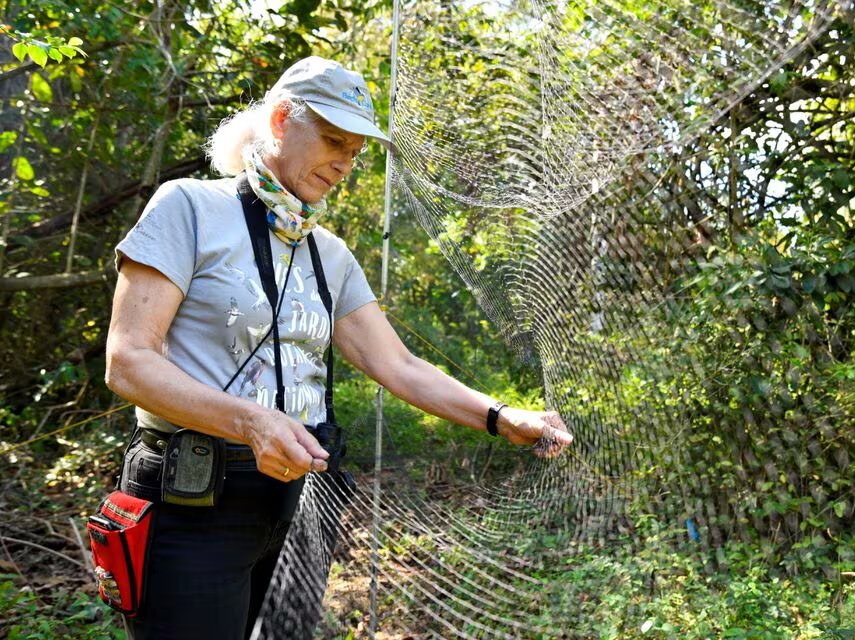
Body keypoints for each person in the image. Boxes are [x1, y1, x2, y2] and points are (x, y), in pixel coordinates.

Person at [102, 56, 572, 639]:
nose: (346, 162)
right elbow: (128, 362)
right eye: (333, 141)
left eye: (355, 151)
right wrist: (251, 422)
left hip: (299, 508)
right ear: (280, 119)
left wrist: (502, 417)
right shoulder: (189, 208)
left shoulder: (330, 254)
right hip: (193, 504)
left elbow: (397, 364)